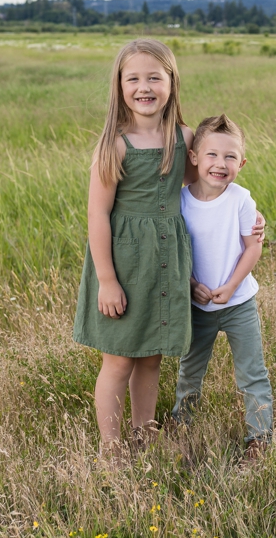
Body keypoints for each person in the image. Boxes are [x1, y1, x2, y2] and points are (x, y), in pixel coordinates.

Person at [73, 39, 198, 464]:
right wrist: (107, 280)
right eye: (134, 79)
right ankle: (111, 450)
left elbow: (205, 186)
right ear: (120, 85)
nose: (144, 87)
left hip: (165, 262)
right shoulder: (115, 144)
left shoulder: (184, 138)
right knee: (119, 361)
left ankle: (145, 433)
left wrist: (247, 212)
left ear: (172, 82)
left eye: (154, 77)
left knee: (151, 358)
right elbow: (97, 215)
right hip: (126, 265)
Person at [171, 114, 273, 463]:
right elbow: (176, 251)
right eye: (212, 154)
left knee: (252, 372)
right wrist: (191, 285)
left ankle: (259, 437)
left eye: (230, 157)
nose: (220, 163)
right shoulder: (180, 202)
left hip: (238, 302)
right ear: (194, 157)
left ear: (241, 164)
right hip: (198, 305)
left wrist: (231, 286)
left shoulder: (241, 200)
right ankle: (181, 422)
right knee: (190, 369)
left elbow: (253, 247)